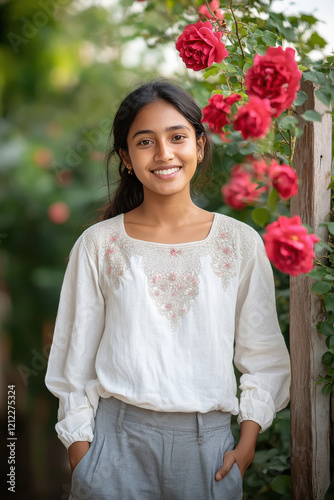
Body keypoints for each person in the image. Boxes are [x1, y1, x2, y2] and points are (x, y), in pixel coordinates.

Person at [45, 78, 290, 500]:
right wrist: (83, 456)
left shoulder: (239, 242)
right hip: (113, 448)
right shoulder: (99, 245)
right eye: (145, 142)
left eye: (177, 137)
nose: (163, 154)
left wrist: (246, 443)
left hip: (209, 453)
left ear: (199, 144)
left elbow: (264, 356)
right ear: (126, 158)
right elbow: (73, 363)